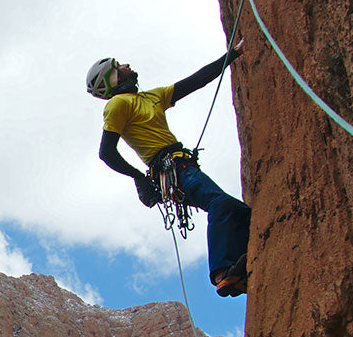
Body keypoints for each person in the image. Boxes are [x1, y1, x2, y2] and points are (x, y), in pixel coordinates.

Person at [87, 42, 251, 296]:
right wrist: (138, 177)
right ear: (112, 78)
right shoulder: (118, 104)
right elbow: (106, 152)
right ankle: (223, 272)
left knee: (241, 212)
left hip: (183, 166)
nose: (127, 65)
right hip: (172, 170)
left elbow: (196, 80)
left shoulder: (151, 97)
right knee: (221, 205)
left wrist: (233, 54)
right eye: (120, 66)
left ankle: (241, 266)